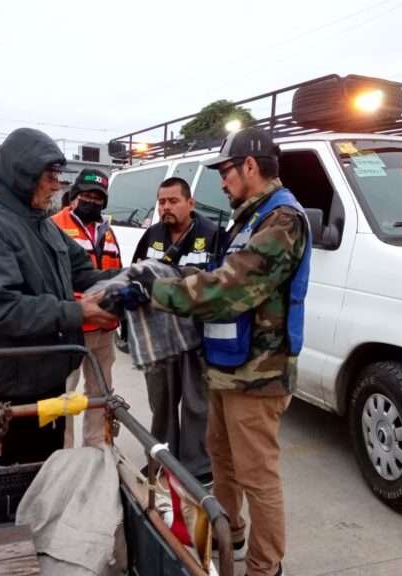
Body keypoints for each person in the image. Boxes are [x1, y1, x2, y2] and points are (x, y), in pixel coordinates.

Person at [123, 128, 311, 576]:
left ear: (250, 166)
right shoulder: (249, 218)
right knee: (221, 461)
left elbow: (230, 289)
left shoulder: (283, 220)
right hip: (228, 367)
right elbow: (219, 272)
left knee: (257, 474)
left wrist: (159, 291)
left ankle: (265, 567)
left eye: (226, 171)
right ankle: (231, 535)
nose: (222, 182)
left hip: (258, 373)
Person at [0, 128, 119, 465]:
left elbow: (83, 272)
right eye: (50, 176)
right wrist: (76, 312)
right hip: (19, 385)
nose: (57, 185)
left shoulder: (40, 224)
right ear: (23, 175)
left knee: (48, 470)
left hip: (49, 376)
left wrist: (131, 280)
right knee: (24, 477)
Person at [132, 177, 227, 484]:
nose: (166, 207)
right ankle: (162, 460)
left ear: (191, 203)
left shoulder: (212, 235)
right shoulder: (151, 236)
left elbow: (220, 286)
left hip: (195, 336)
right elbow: (134, 275)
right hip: (158, 337)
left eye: (173, 201)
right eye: (161, 202)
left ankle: (197, 469)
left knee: (197, 404)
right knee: (161, 403)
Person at [51, 169, 122, 448]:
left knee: (100, 392)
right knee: (64, 396)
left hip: (104, 330)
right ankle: (63, 453)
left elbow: (114, 272)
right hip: (71, 329)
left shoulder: (106, 231)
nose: (91, 201)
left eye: (97, 197)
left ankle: (96, 447)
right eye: (86, 195)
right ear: (74, 197)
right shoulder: (55, 226)